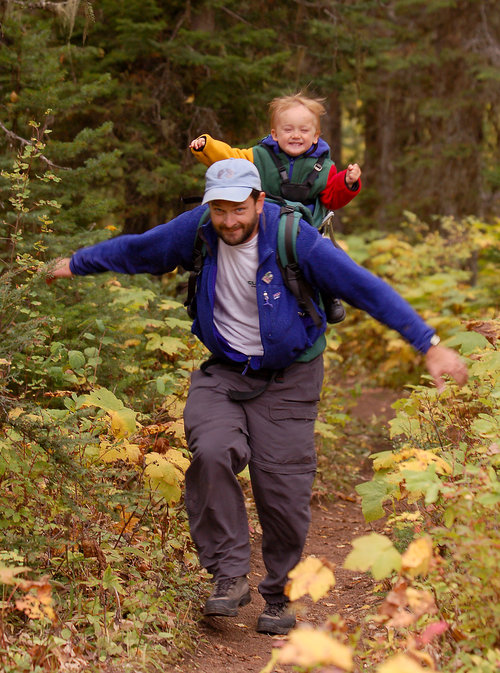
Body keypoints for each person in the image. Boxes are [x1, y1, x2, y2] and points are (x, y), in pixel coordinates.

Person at [47, 158, 467, 636]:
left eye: (239, 210)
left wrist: (428, 344)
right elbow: (142, 250)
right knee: (210, 449)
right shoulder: (200, 230)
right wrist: (77, 263)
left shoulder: (295, 238)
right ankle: (228, 576)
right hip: (224, 372)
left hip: (291, 376)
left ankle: (280, 593)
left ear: (259, 201)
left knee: (283, 494)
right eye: (220, 210)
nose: (229, 221)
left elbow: (365, 288)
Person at [190, 93, 362, 323]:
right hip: (265, 225)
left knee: (326, 254)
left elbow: (332, 198)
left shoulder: (325, 167)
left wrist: (348, 183)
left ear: (315, 136)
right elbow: (230, 157)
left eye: (303, 130)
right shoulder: (258, 156)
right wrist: (207, 146)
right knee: (214, 234)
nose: (295, 135)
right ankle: (202, 293)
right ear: (274, 134)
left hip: (304, 229)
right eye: (288, 129)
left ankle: (330, 296)